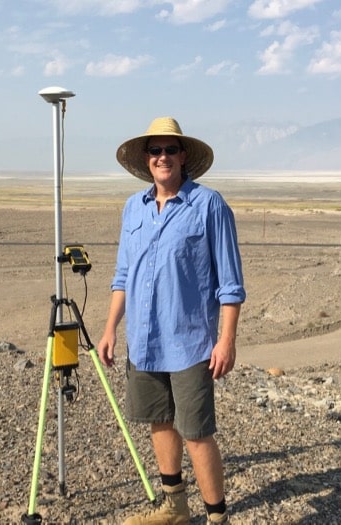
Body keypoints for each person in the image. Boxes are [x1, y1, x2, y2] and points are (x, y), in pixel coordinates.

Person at [97, 117, 246, 525]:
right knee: (159, 422)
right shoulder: (133, 208)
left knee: (196, 433)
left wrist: (226, 341)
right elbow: (123, 275)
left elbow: (230, 284)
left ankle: (217, 518)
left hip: (190, 343)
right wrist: (111, 329)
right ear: (146, 160)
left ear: (184, 157)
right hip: (143, 341)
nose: (163, 157)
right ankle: (175, 508)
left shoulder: (208, 205)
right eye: (155, 150)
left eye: (170, 149)